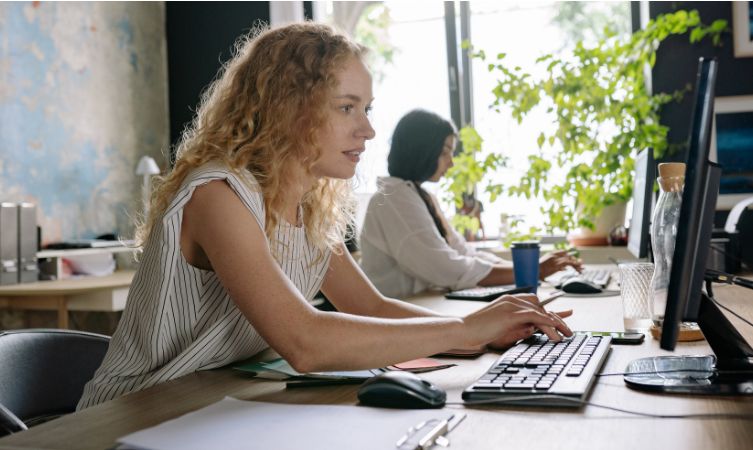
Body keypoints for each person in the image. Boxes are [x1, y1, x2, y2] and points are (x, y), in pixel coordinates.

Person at [77, 22, 573, 410]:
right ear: (287, 107)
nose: (368, 131)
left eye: (368, 108)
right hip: (133, 412)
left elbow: (372, 309)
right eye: (346, 108)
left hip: (211, 403)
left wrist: (479, 329)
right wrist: (464, 331)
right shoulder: (218, 195)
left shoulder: (310, 204)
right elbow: (305, 341)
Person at [359, 109, 583, 300]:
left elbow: (462, 251)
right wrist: (534, 271)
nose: (451, 162)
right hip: (400, 317)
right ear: (423, 150)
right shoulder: (393, 198)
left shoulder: (417, 195)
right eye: (445, 152)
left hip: (422, 305)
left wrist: (531, 271)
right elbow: (447, 269)